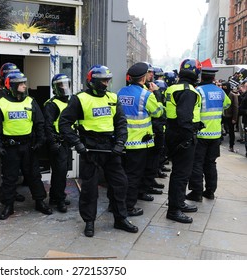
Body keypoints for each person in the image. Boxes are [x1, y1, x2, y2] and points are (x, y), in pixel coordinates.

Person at [59, 65, 138, 237]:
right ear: (92, 81)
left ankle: (120, 218)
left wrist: (120, 143)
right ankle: (89, 221)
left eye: (107, 80)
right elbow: (64, 123)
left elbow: (121, 123)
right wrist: (77, 144)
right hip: (90, 149)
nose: (106, 83)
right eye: (103, 80)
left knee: (120, 184)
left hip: (110, 148)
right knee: (89, 189)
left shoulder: (113, 98)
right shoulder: (80, 99)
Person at [0, 71, 53, 220]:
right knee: (10, 178)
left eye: (24, 83)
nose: (24, 86)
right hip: (10, 147)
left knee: (34, 175)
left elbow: (39, 122)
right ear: (12, 86)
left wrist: (40, 141)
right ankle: (8, 206)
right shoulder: (1, 104)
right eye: (21, 84)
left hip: (28, 146)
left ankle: (40, 201)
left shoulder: (30, 101)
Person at [118, 62, 163, 215]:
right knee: (134, 176)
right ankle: (129, 207)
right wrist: (157, 95)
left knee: (120, 175)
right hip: (138, 144)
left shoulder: (120, 92)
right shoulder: (146, 95)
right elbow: (158, 112)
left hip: (121, 142)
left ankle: (115, 204)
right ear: (143, 78)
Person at [165, 58, 203, 223]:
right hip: (183, 136)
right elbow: (184, 117)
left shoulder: (173, 87)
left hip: (174, 133)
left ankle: (178, 202)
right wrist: (190, 135)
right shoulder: (188, 91)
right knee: (181, 174)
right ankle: (174, 210)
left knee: (179, 173)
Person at [186, 67, 231, 202]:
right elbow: (227, 104)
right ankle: (210, 191)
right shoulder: (220, 91)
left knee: (197, 164)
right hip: (215, 134)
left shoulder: (198, 91)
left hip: (201, 134)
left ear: (201, 77)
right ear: (213, 78)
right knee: (211, 163)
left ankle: (196, 193)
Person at [0, 62, 25, 203]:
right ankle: (5, 195)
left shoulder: (21, 94)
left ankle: (13, 192)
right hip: (4, 138)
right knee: (6, 171)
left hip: (21, 139)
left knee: (14, 170)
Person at [43, 74, 72, 213]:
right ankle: (59, 199)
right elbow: (47, 126)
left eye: (66, 84)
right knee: (60, 172)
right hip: (57, 142)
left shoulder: (69, 102)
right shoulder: (51, 104)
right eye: (61, 85)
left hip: (66, 142)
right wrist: (53, 142)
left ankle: (56, 196)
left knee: (62, 171)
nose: (64, 87)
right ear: (55, 88)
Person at [222, 82, 239, 152]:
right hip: (222, 115)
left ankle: (231, 145)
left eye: (225, 87)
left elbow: (235, 107)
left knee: (231, 132)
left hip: (230, 116)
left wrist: (234, 118)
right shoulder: (222, 94)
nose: (224, 88)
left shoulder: (232, 95)